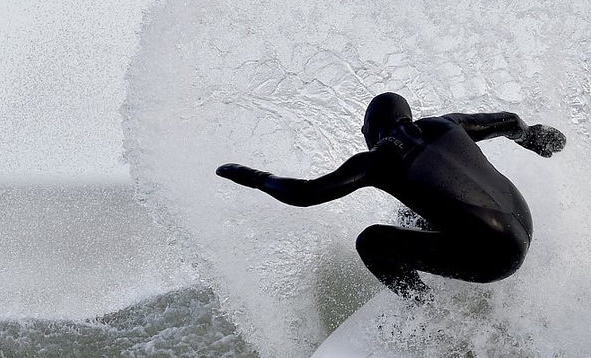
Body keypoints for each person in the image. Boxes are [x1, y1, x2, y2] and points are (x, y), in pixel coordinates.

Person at [216, 92, 566, 299]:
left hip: (495, 258)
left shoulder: (378, 160)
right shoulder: (447, 123)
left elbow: (304, 193)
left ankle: (424, 311)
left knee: (371, 242)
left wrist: (252, 177)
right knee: (409, 217)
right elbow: (509, 120)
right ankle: (445, 264)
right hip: (522, 221)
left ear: (370, 129)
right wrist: (532, 136)